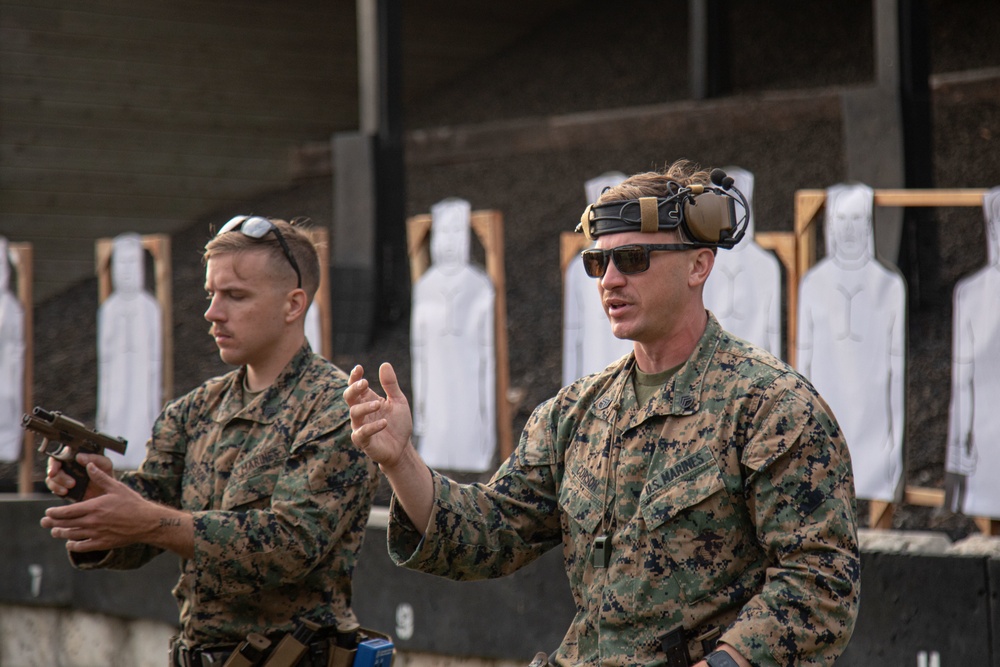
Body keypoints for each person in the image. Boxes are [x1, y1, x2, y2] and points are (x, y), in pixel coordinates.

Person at [346, 161, 860, 667]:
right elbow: (488, 534)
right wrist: (400, 460)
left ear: (698, 266)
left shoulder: (771, 407)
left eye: (633, 259)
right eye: (599, 262)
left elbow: (819, 582)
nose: (609, 280)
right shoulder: (575, 414)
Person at [41, 216, 380, 666]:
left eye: (235, 296)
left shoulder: (336, 410)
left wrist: (144, 519)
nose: (212, 312)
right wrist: (96, 492)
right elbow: (143, 526)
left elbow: (291, 545)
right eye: (211, 294)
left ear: (293, 304)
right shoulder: (192, 411)